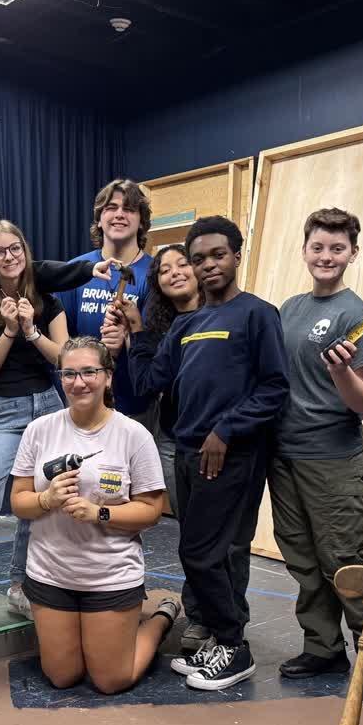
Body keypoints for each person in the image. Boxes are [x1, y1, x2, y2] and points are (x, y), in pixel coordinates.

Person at [116, 215, 289, 691]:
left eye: (218, 255)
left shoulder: (257, 314)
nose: (208, 264)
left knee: (204, 553)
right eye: (199, 258)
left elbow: (275, 387)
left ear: (236, 256)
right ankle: (221, 639)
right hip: (188, 452)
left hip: (229, 454)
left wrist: (226, 430)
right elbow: (151, 381)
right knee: (197, 552)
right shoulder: (187, 324)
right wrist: (136, 334)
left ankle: (234, 646)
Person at [0, 223, 118, 643]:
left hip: (48, 408)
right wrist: (10, 331)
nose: (9, 257)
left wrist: (32, 330)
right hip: (1, 413)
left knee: (39, 501)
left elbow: (64, 360)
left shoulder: (46, 300)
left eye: (15, 248)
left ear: (24, 251)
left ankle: (20, 587)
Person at [268, 207, 363, 703]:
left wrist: (341, 372)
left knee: (343, 561)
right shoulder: (289, 309)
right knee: (302, 559)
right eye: (318, 247)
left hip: (331, 458)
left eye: (337, 248)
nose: (326, 256)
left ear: (353, 253)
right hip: (283, 455)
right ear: (305, 250)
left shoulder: (356, 314)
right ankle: (323, 647)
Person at [9, 336, 180, 693]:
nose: (79, 382)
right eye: (69, 374)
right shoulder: (39, 430)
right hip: (51, 573)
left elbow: (151, 511)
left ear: (108, 376)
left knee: (110, 680)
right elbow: (19, 501)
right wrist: (47, 499)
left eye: (89, 372)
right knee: (62, 676)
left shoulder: (133, 435)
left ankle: (161, 617)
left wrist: (98, 512)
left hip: (109, 575)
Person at [100, 244, 212, 653]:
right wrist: (134, 334)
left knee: (218, 537)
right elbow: (146, 384)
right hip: (173, 438)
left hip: (220, 441)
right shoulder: (160, 327)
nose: (175, 273)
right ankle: (199, 616)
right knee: (192, 534)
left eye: (183, 264)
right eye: (165, 270)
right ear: (158, 284)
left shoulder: (226, 316)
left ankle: (222, 622)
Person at [57, 179, 156, 424]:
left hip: (137, 407)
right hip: (83, 404)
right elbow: (61, 343)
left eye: (129, 209)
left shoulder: (156, 274)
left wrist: (129, 338)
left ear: (141, 221)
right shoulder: (75, 270)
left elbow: (160, 349)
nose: (119, 214)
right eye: (111, 208)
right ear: (99, 219)